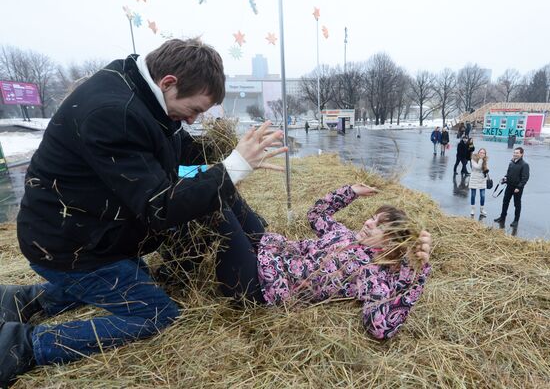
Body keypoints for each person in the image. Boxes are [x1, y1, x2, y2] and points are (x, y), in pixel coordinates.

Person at [0, 38, 288, 385]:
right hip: (68, 244)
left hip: (90, 225)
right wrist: (233, 169)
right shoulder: (114, 114)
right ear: (169, 82)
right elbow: (160, 208)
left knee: (131, 279)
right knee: (153, 311)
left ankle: (25, 299)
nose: (194, 119)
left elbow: (171, 151)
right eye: (195, 110)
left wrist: (224, 155)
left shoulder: (139, 91)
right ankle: (20, 345)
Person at [206, 183, 433, 340]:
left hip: (256, 282)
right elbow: (316, 215)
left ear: (391, 246)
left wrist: (417, 272)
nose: (369, 223)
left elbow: (379, 326)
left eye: (380, 226)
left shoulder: (371, 274)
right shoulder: (344, 233)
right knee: (225, 190)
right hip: (267, 248)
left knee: (215, 204)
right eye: (373, 218)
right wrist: (350, 192)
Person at [494, 147, 530, 228]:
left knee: (517, 204)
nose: (515, 154)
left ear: (521, 154)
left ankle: (516, 220)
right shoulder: (511, 162)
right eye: (514, 152)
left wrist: (519, 187)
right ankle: (502, 217)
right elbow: (508, 173)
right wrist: (505, 178)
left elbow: (525, 178)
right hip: (509, 186)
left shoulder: (525, 165)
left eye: (517, 153)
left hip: (517, 189)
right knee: (505, 202)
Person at [468, 148, 489, 217]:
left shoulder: (485, 160)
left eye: (483, 153)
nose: (482, 154)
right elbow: (477, 167)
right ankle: (472, 209)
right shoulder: (473, 159)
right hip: (474, 178)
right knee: (473, 195)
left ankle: (482, 209)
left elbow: (486, 168)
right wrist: (481, 159)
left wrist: (486, 169)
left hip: (482, 179)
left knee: (482, 196)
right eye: (481, 152)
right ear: (478, 152)